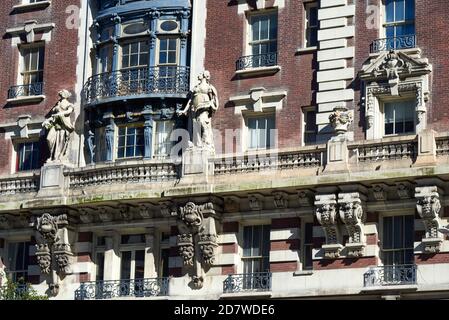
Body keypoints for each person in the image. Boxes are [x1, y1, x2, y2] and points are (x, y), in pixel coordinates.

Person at [177, 71, 219, 152]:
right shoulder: (196, 87)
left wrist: (211, 105)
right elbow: (190, 101)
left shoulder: (208, 87)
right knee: (196, 126)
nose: (198, 75)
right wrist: (184, 110)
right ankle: (198, 144)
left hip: (204, 107)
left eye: (200, 74)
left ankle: (206, 143)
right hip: (194, 109)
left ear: (204, 75)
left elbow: (213, 99)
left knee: (203, 123)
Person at [42, 90, 75, 162]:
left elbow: (69, 111)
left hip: (63, 125)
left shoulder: (69, 104)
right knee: (49, 139)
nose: (61, 92)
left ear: (66, 95)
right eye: (62, 91)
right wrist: (47, 120)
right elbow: (53, 116)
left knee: (61, 141)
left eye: (63, 92)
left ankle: (58, 157)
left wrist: (60, 114)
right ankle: (52, 155)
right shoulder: (58, 104)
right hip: (55, 125)